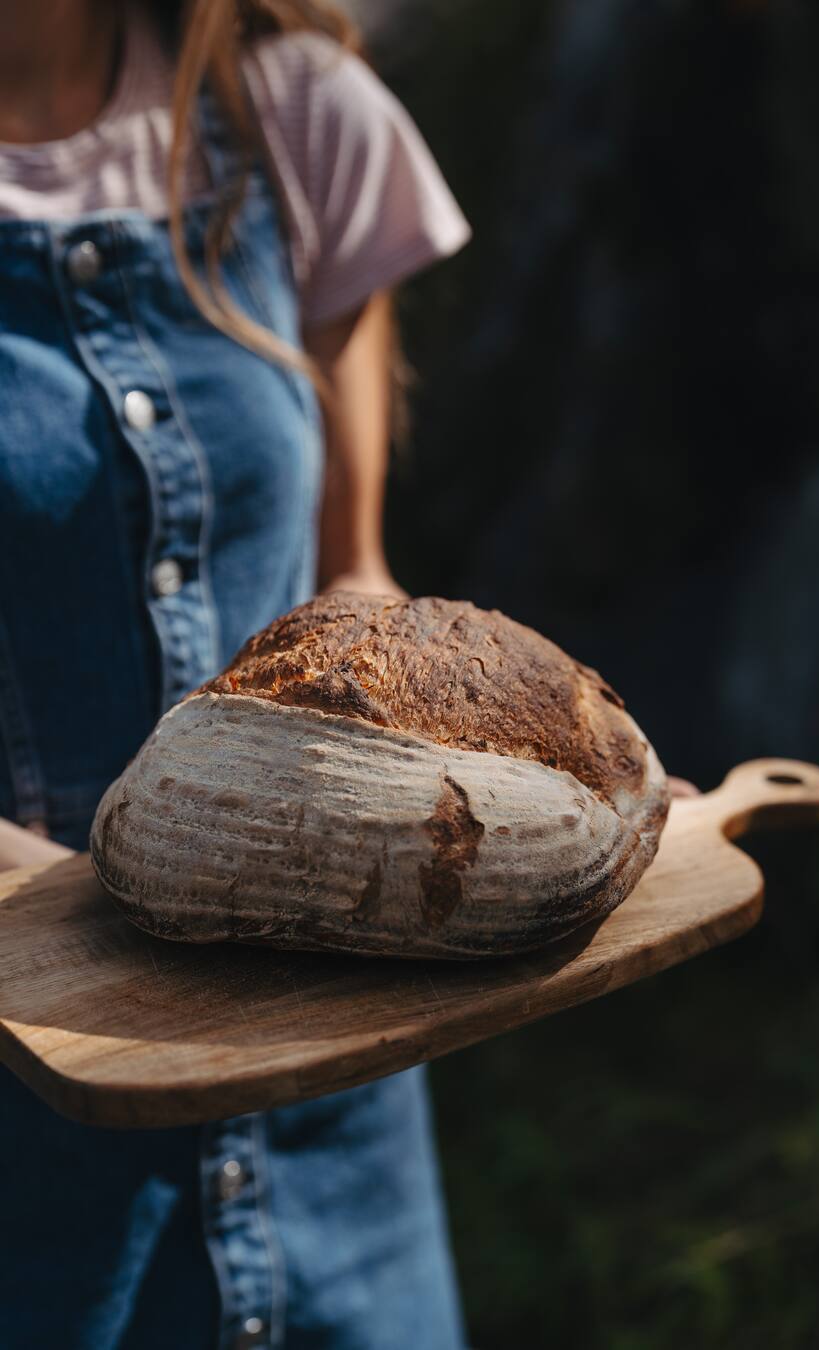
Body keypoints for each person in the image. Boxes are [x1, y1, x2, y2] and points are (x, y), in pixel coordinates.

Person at [0, 1, 471, 1346]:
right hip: (29, 1147)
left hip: (337, 1110)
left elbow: (355, 589)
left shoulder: (291, 113)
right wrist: (74, 932)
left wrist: (520, 793)